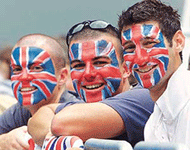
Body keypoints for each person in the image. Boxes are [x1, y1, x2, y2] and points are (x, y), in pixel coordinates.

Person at [28, 20, 154, 148]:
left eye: (99, 63)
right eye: (79, 65)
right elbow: (40, 117)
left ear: (126, 69)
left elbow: (60, 124)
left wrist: (63, 140)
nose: (88, 74)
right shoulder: (88, 105)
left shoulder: (145, 96)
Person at [118, 0, 189, 147]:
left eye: (149, 43)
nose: (140, 59)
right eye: (130, 48)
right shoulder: (153, 123)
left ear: (178, 42)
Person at [0, 33, 80, 150]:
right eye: (17, 69)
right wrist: (4, 141)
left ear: (62, 77)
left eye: (36, 68)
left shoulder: (75, 109)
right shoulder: (20, 110)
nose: (24, 77)